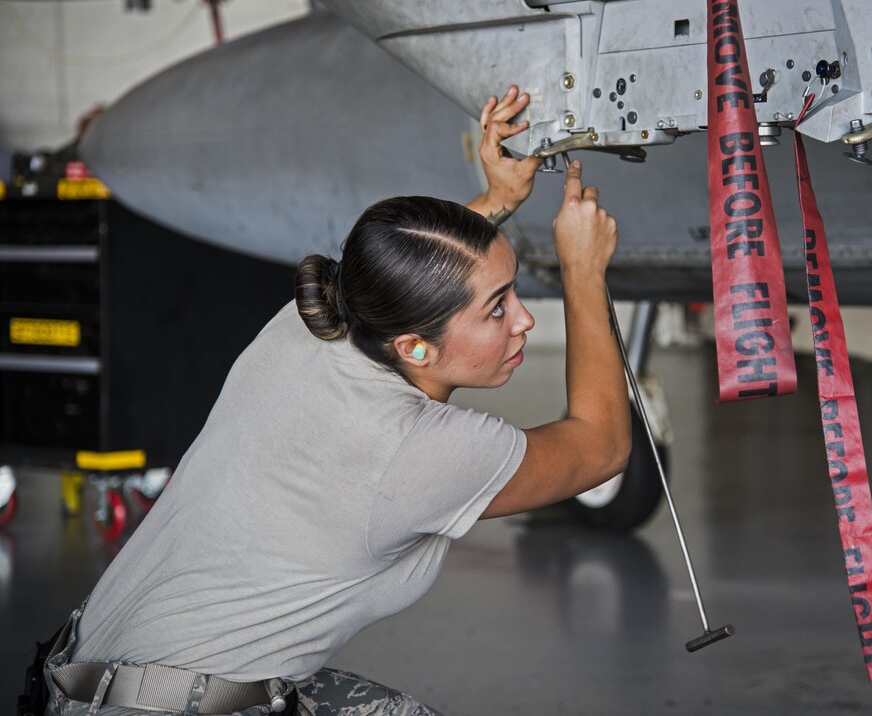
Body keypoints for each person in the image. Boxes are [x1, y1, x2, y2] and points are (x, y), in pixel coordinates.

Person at [35, 86, 631, 716]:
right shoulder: (421, 449)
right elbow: (602, 446)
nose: (522, 322)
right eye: (498, 308)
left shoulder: (309, 324)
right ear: (416, 347)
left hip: (75, 679)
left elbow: (397, 279)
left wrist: (499, 199)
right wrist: (583, 272)